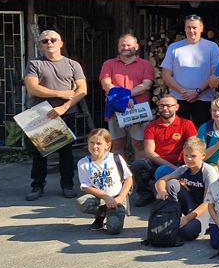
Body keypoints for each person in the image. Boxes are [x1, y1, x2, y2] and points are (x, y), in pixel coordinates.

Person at [23, 29, 88, 201]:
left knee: (66, 152)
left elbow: (82, 90)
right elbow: (32, 88)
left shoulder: (73, 65)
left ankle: (67, 185)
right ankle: (37, 185)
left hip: (66, 112)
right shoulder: (35, 64)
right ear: (41, 45)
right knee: (40, 152)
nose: (49, 43)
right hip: (41, 113)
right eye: (45, 41)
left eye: (53, 40)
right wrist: (60, 93)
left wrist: (64, 107)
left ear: (61, 43)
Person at [130, 95, 197, 206]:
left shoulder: (187, 124)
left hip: (181, 163)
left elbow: (193, 146)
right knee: (138, 165)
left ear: (176, 107)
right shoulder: (151, 127)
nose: (165, 108)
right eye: (162, 106)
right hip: (158, 162)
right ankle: (146, 195)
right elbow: (149, 152)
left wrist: (182, 167)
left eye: (169, 106)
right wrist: (172, 167)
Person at [99, 33, 154, 157]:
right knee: (117, 144)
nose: (125, 47)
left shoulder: (146, 64)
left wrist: (124, 96)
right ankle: (120, 169)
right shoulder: (108, 64)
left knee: (139, 144)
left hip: (138, 109)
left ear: (136, 46)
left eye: (129, 45)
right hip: (115, 109)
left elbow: (146, 85)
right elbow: (106, 84)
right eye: (122, 45)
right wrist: (123, 99)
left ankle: (138, 170)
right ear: (118, 46)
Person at [154, 137, 219, 242]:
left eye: (193, 156)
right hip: (192, 205)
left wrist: (187, 218)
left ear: (203, 156)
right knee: (171, 183)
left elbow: (208, 203)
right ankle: (174, 216)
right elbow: (161, 180)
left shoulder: (209, 173)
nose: (188, 159)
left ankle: (206, 225)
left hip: (208, 210)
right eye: (186, 155)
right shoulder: (184, 169)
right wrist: (161, 191)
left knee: (186, 232)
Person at [160, 14, 219, 128]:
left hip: (204, 99)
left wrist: (198, 91)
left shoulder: (212, 47)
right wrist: (184, 92)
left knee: (202, 134)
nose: (191, 31)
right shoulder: (174, 48)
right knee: (177, 133)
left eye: (194, 27)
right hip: (178, 99)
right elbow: (166, 75)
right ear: (184, 28)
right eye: (188, 27)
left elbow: (215, 74)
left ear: (201, 28)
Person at [75, 128, 132, 234]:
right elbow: (86, 187)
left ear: (107, 145)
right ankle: (101, 214)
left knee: (114, 229)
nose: (94, 146)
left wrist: (120, 198)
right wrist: (105, 197)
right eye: (92, 143)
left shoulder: (115, 158)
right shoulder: (83, 163)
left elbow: (128, 178)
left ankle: (112, 212)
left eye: (99, 143)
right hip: (99, 196)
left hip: (116, 197)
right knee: (80, 203)